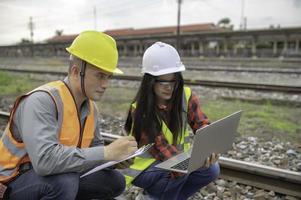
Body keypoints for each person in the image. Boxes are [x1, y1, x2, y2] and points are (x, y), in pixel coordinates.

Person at [0, 31, 138, 200]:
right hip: (11, 182)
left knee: (114, 181)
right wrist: (106, 152)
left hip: (52, 176)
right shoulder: (42, 100)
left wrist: (115, 160)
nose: (105, 84)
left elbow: (94, 151)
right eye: (100, 76)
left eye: (108, 77)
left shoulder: (91, 108)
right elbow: (44, 161)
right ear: (75, 71)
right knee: (64, 181)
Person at [123, 42, 220, 200]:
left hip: (172, 159)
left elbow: (202, 124)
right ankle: (153, 196)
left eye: (173, 81)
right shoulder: (140, 109)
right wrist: (189, 162)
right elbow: (161, 148)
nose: (169, 87)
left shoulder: (186, 96)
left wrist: (209, 148)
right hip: (144, 169)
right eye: (162, 82)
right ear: (150, 82)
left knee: (212, 170)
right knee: (179, 171)